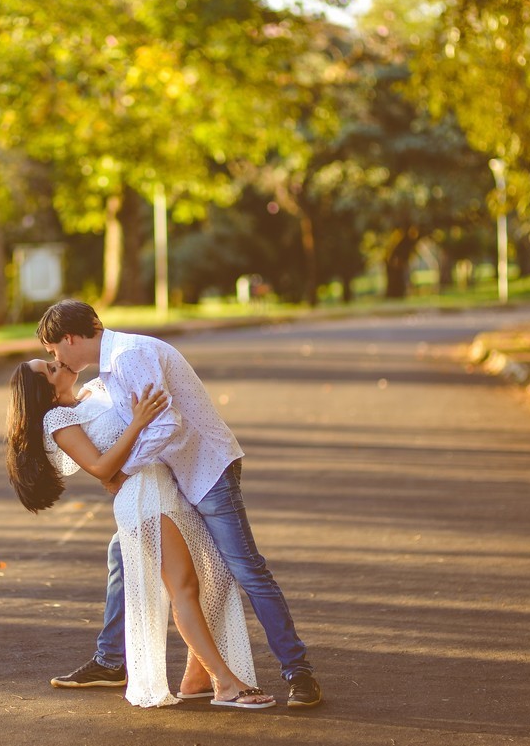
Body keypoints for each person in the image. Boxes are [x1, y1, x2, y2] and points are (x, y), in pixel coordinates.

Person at [37, 299, 323, 709]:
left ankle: (299, 672)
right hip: (173, 479)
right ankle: (118, 661)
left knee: (245, 569)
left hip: (205, 472)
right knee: (122, 551)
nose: (56, 358)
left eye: (53, 351)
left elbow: (166, 424)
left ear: (69, 338)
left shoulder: (129, 356)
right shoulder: (108, 371)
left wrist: (122, 472)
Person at [6, 359, 275, 709]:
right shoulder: (58, 420)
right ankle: (226, 685)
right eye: (50, 370)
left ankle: (196, 680)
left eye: (53, 360)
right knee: (185, 586)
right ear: (47, 391)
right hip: (142, 498)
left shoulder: (96, 390)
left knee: (219, 576)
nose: (59, 363)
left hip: (170, 487)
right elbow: (101, 467)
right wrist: (138, 422)